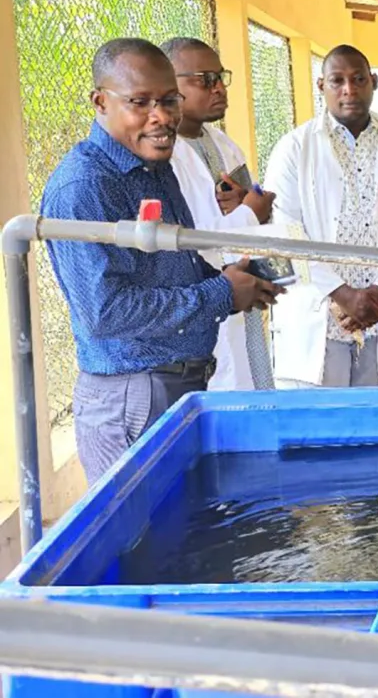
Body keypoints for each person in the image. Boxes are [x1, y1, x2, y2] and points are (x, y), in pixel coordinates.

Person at [41, 38, 281, 483]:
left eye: (169, 100)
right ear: (99, 101)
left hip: (177, 383)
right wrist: (221, 293)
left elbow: (178, 265)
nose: (162, 116)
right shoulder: (84, 187)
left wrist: (233, 279)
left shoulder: (155, 166)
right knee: (143, 543)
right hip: (133, 397)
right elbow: (106, 313)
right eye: (140, 102)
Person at [265, 45, 378, 388]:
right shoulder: (294, 149)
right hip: (321, 312)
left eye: (358, 79)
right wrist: (343, 295)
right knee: (315, 429)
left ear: (373, 82)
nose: (349, 90)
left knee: (377, 427)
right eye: (337, 81)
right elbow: (285, 233)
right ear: (321, 86)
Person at [162, 37, 276, 392]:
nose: (218, 88)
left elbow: (252, 209)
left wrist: (254, 207)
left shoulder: (225, 144)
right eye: (203, 79)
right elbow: (183, 240)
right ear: (170, 86)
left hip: (243, 296)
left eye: (220, 77)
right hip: (204, 302)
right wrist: (248, 214)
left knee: (252, 388)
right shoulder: (165, 156)